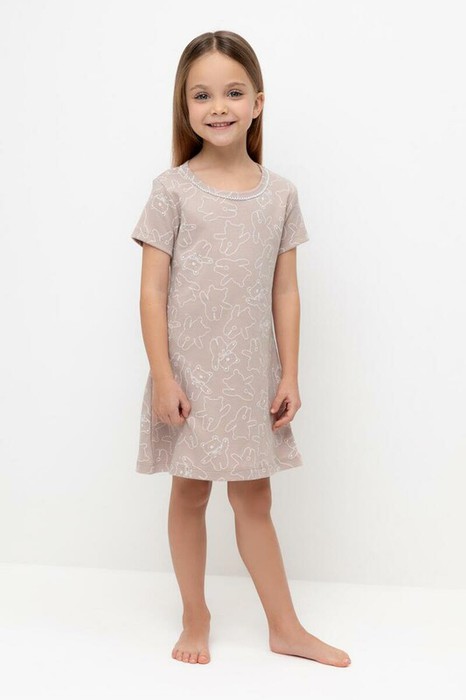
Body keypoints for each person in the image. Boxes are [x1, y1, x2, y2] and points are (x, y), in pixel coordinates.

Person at [130, 29, 351, 668]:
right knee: (190, 493)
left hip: (252, 375)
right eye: (201, 95)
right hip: (189, 376)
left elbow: (286, 291)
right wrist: (163, 376)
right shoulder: (171, 189)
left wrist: (290, 373)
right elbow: (151, 293)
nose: (218, 106)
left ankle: (285, 626)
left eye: (232, 92)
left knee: (254, 499)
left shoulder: (279, 194)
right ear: (185, 106)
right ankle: (194, 614)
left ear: (258, 103)